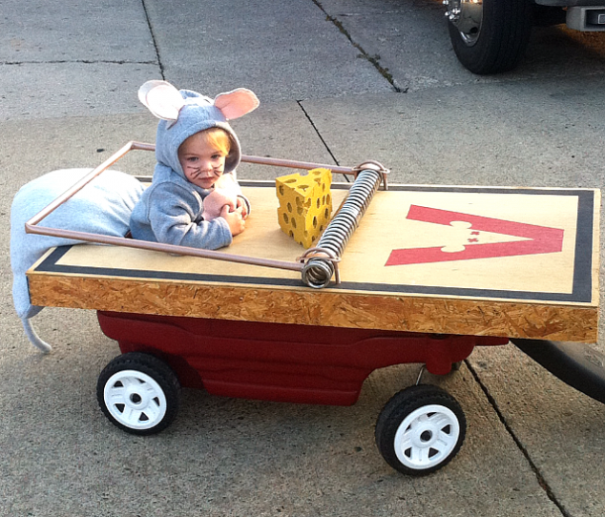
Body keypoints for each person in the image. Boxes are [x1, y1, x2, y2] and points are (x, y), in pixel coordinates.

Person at [130, 80, 259, 250]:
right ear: (174, 158)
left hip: (202, 228)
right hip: (156, 245)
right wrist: (224, 228)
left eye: (215, 156)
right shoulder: (168, 192)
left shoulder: (222, 172)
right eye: (193, 159)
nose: (207, 167)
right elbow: (174, 239)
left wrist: (238, 203)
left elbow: (231, 190)